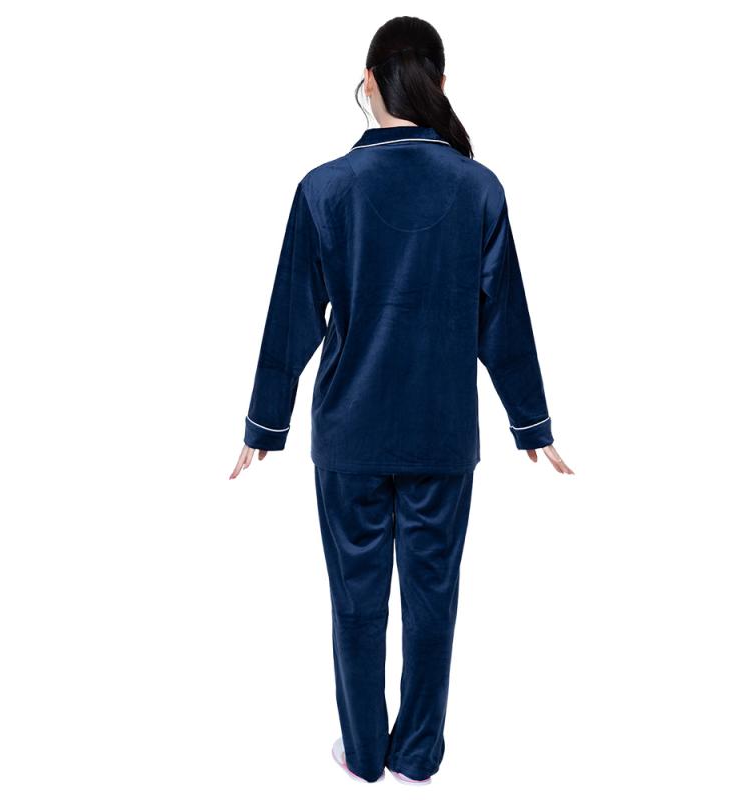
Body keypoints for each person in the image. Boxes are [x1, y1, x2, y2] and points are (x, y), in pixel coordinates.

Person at [230, 15, 574, 785]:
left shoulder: (325, 188)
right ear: (440, 84)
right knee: (431, 599)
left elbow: (291, 317)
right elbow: (504, 320)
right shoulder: (477, 187)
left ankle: (362, 752)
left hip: (349, 433)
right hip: (441, 435)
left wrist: (263, 423)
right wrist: (532, 423)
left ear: (368, 80)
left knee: (355, 600)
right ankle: (416, 754)